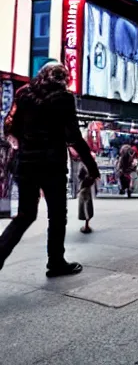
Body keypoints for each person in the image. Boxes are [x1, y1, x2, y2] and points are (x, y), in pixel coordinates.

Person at [0, 62, 99, 277]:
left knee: (25, 215)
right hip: (51, 166)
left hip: (25, 164)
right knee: (57, 215)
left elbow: (10, 126)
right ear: (64, 78)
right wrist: (91, 166)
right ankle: (55, 262)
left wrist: (22, 145)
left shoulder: (23, 94)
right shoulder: (63, 98)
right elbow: (73, 137)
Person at [77, 159, 96, 234]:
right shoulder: (90, 164)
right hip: (88, 186)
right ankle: (87, 224)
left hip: (84, 186)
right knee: (87, 205)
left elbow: (79, 176)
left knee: (85, 206)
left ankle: (86, 226)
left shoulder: (82, 165)